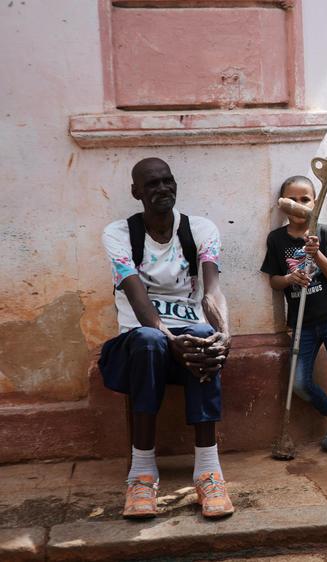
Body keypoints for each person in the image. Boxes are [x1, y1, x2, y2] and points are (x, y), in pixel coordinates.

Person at [98, 157, 234, 519]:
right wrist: (170, 337)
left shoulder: (200, 229)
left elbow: (212, 292)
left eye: (167, 181)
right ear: (136, 192)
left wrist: (224, 332)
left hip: (186, 340)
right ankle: (142, 474)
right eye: (152, 184)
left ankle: (209, 471)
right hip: (140, 344)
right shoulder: (119, 234)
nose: (162, 189)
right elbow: (139, 302)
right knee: (149, 340)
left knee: (205, 337)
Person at [260, 176, 327, 465]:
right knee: (299, 383)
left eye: (305, 199)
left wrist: (316, 251)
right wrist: (290, 278)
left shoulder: (326, 232)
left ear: (315, 203)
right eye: (292, 199)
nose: (299, 205)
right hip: (301, 323)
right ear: (283, 204)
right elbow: (274, 281)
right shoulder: (276, 239)